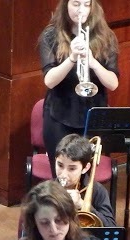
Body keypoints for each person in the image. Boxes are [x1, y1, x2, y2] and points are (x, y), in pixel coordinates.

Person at [38, 0, 119, 170]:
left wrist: (93, 62)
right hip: (59, 115)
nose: (81, 10)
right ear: (66, 5)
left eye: (86, 4)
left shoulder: (106, 37)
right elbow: (49, 80)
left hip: (92, 116)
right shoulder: (51, 35)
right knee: (62, 174)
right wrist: (72, 58)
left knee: (85, 174)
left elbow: (113, 84)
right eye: (76, 4)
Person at [53, 133, 116, 227]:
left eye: (72, 168)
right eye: (60, 165)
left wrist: (82, 204)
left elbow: (111, 226)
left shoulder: (98, 191)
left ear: (85, 168)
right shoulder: (47, 189)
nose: (64, 174)